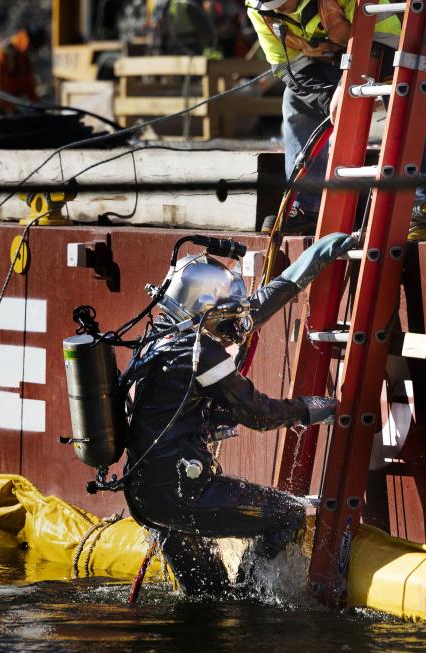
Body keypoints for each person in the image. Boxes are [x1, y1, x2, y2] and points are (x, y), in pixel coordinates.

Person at [122, 232, 357, 594]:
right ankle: (252, 597)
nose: (233, 322)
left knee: (207, 596)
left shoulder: (156, 339)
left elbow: (246, 316)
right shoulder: (201, 351)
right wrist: (311, 409)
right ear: (205, 308)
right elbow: (260, 415)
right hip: (183, 493)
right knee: (288, 515)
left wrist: (310, 263)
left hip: (142, 496)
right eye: (225, 312)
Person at [240, 0, 426, 237]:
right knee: (294, 101)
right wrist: (332, 100)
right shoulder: (261, 6)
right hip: (336, 48)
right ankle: (305, 204)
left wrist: (348, 86)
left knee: (406, 94)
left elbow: (389, 46)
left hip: (397, 27)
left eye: (284, 3)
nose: (280, 11)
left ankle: (423, 203)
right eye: (273, 6)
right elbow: (289, 68)